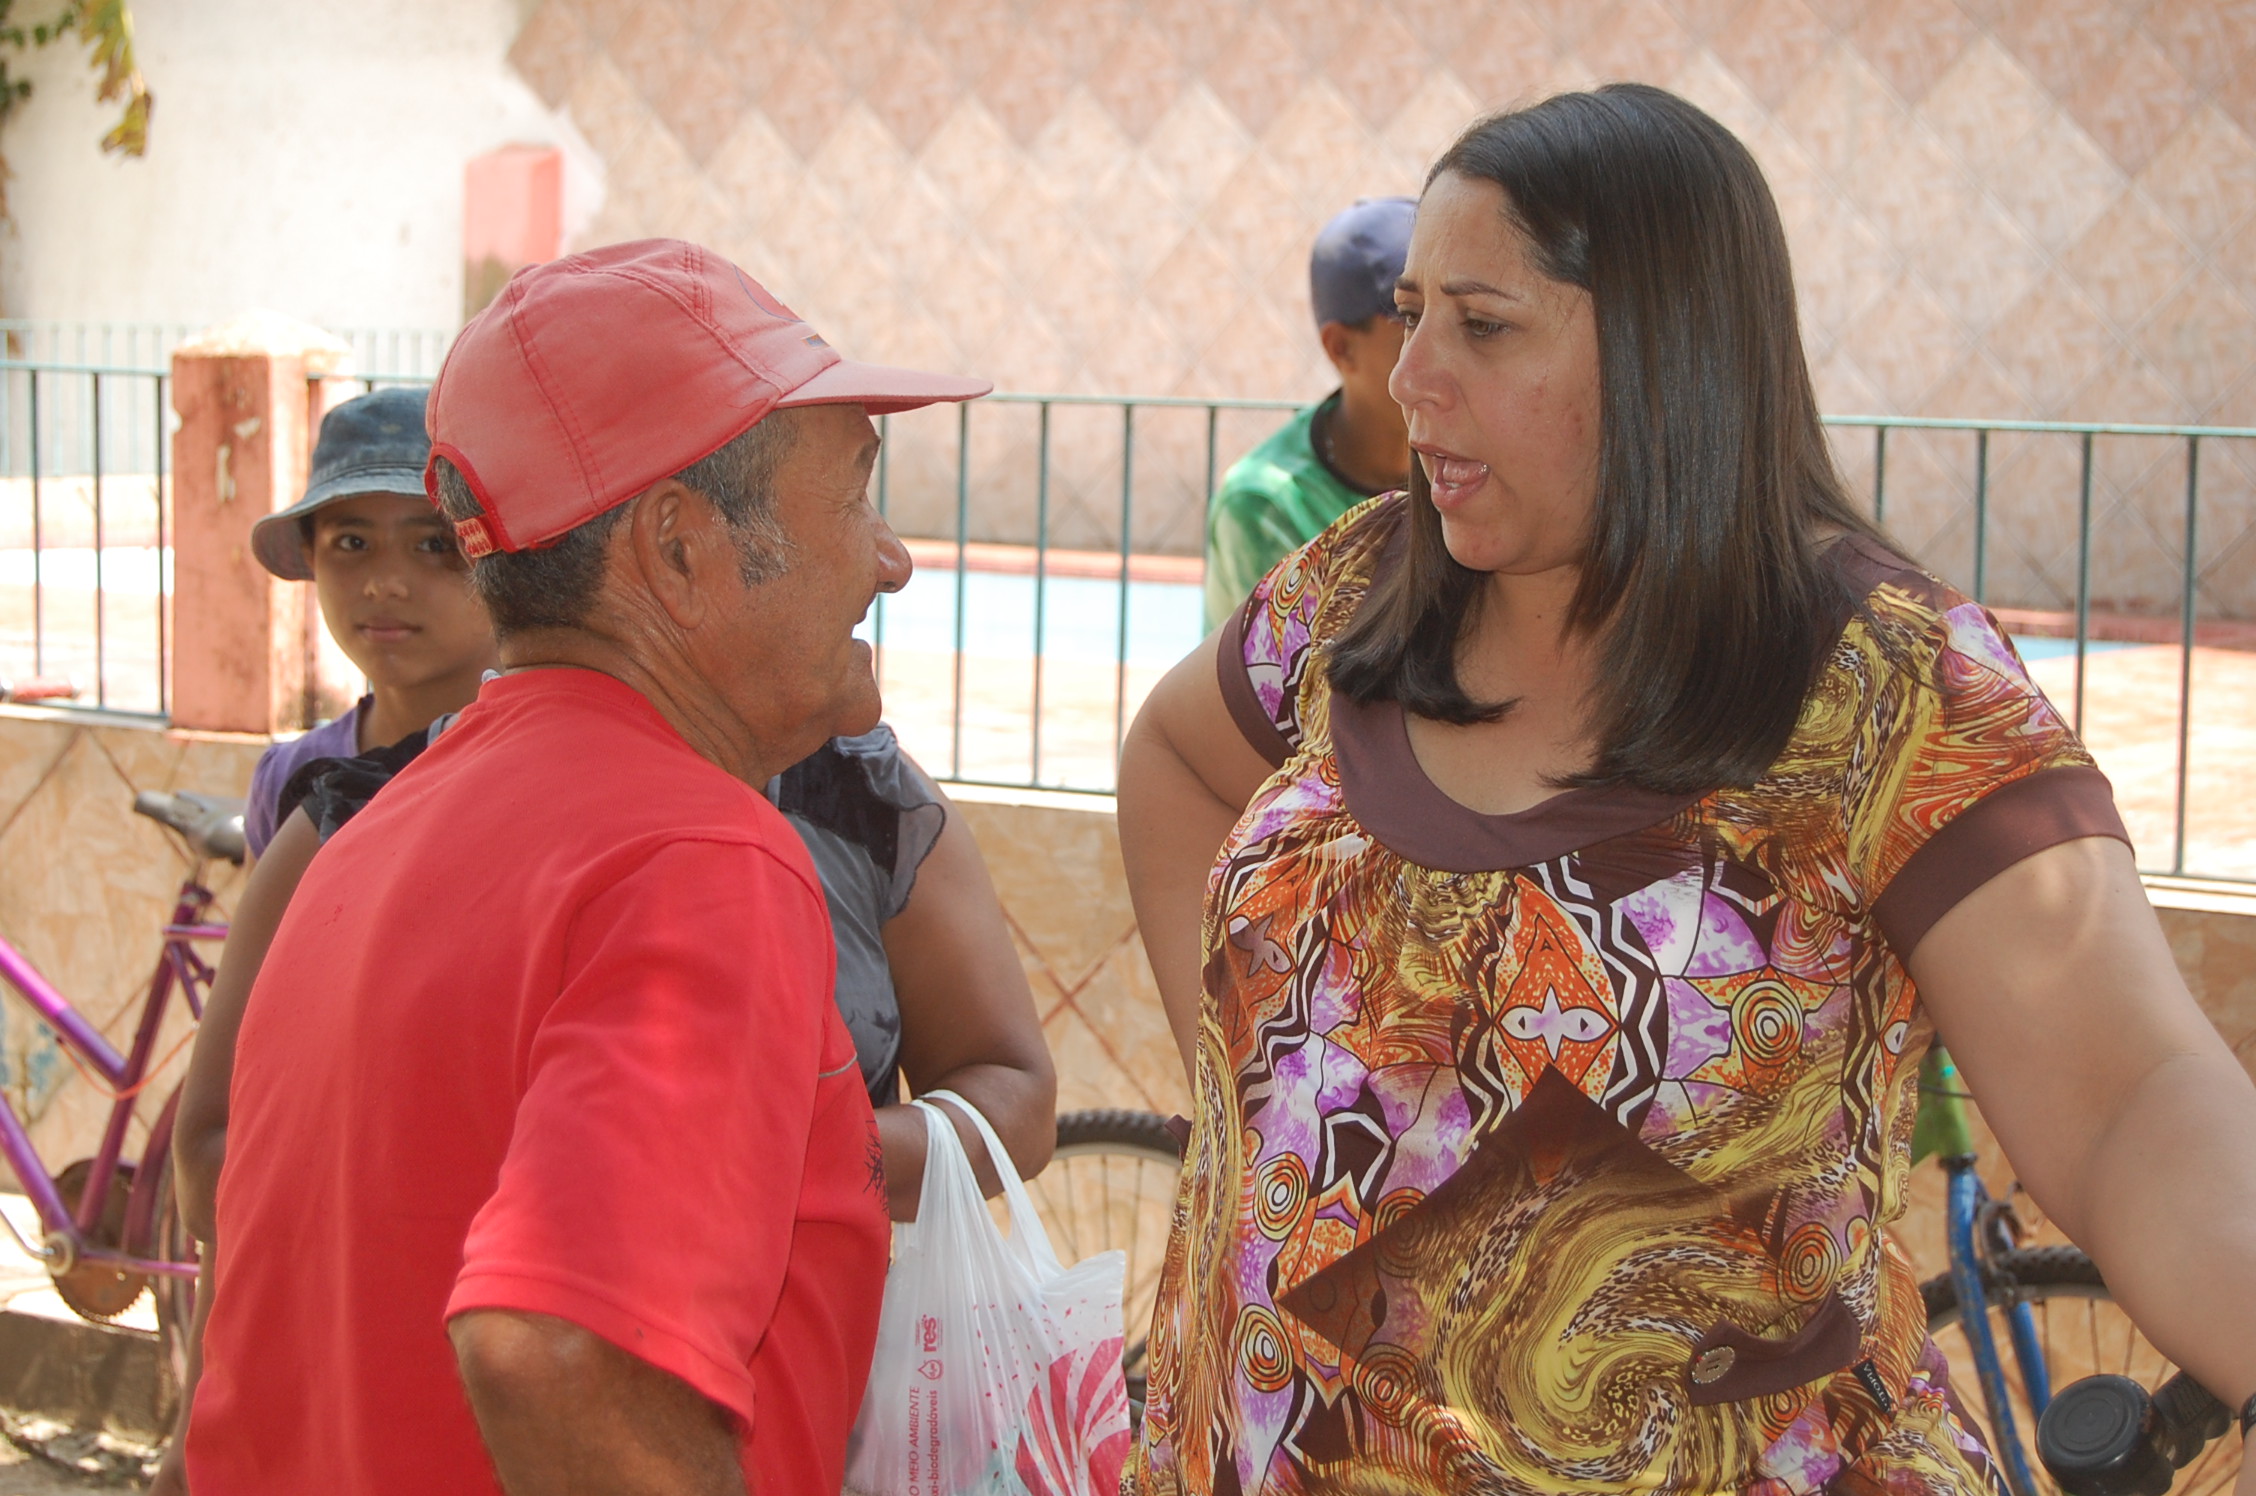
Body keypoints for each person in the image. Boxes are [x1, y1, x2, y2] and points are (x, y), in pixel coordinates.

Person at [1117, 87, 2256, 1495]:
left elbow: (2134, 1095)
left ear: (1668, 353)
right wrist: (1246, 1115)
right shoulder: (1362, 585)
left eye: (1482, 324)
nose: (1412, 379)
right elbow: (1173, 761)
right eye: (1411, 314)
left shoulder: (1879, 684)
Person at [182, 238, 992, 1496]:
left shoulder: (377, 833)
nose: (890, 559)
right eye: (851, 497)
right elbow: (558, 1349)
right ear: (677, 548)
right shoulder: (695, 856)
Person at [240, 385, 497, 859]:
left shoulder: (547, 767)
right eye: (353, 543)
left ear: (493, 554)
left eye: (433, 545)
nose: (385, 584)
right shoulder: (292, 779)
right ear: (308, 555)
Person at [1202, 196, 1415, 630]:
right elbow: (1298, 687)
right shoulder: (1267, 503)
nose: (1439, 352)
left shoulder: (1472, 463)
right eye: (1410, 322)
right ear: (1341, 347)